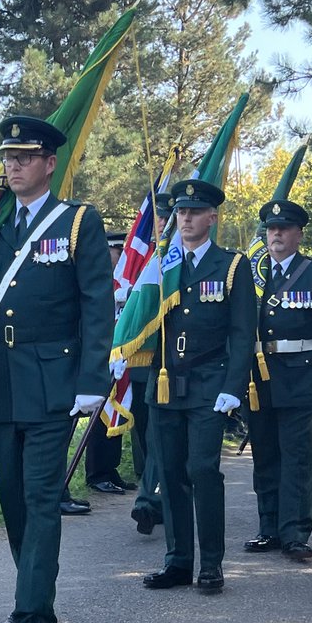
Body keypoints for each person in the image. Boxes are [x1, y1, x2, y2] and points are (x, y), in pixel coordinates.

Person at [0, 115, 112, 623]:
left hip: (53, 380)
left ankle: (37, 613)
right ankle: (25, 601)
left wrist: (92, 379)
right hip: (0, 381)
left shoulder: (76, 222)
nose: (13, 165)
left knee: (39, 498)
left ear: (49, 163)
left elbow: (97, 305)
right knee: (12, 498)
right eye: (8, 157)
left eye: (25, 157)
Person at [141, 179, 255, 593]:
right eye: (180, 212)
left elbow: (243, 333)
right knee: (170, 473)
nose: (185, 218)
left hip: (210, 382)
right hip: (166, 383)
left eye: (193, 211)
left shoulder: (231, 265)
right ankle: (177, 561)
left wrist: (234, 386)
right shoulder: (161, 263)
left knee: (202, 470)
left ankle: (211, 563)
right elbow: (140, 320)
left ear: (212, 217)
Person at [243, 199, 312, 563]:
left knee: (296, 458)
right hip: (259, 379)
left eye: (284, 229)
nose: (276, 235)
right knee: (264, 456)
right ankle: (268, 528)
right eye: (271, 229)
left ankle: (295, 532)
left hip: (302, 377)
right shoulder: (250, 273)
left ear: (299, 233)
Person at [130, 192, 173, 534]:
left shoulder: (174, 256)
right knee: (144, 433)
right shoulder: (138, 252)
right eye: (159, 217)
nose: (164, 222)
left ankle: (149, 499)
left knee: (158, 434)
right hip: (138, 358)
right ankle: (156, 489)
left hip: (172, 361)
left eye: (168, 216)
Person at [83, 232, 137, 495]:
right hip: (99, 353)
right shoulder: (99, 279)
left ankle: (109, 468)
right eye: (117, 252)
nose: (118, 258)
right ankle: (96, 472)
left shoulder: (125, 282)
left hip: (119, 356)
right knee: (100, 413)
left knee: (116, 409)